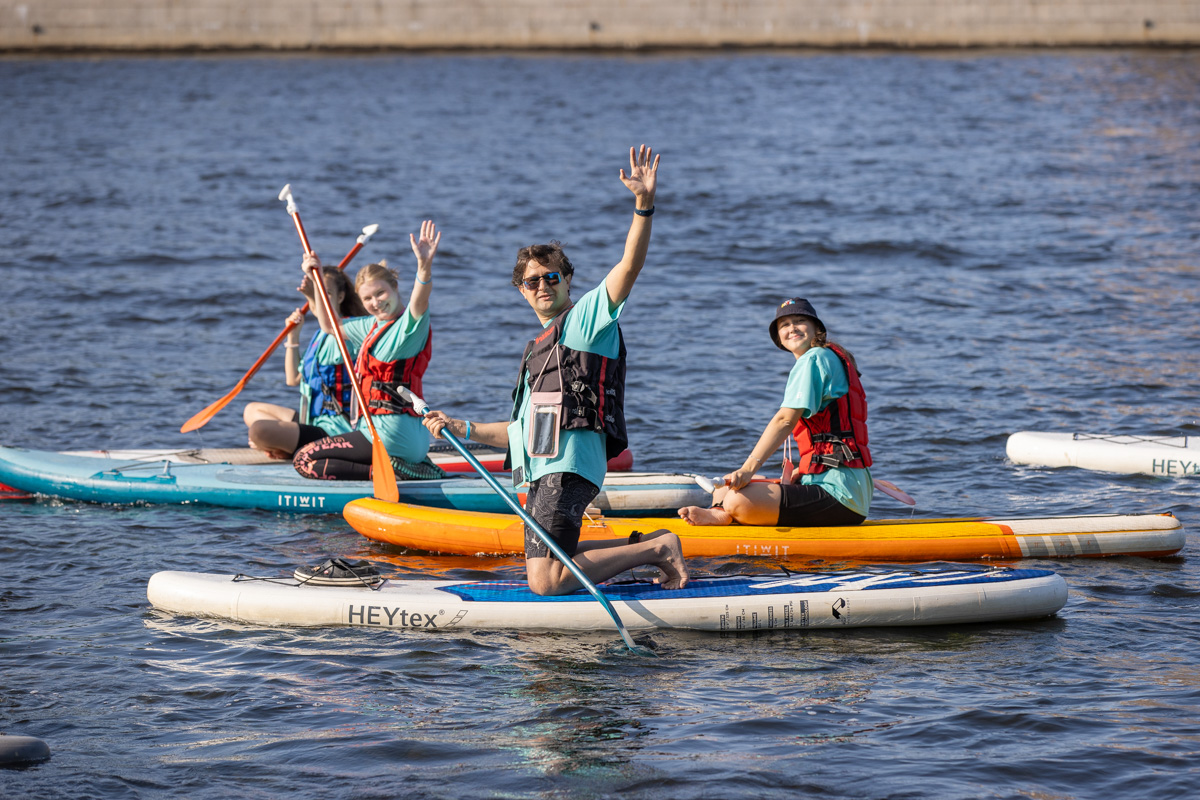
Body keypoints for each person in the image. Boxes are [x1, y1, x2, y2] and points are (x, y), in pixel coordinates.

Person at [421, 145, 689, 596]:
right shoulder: (536, 352)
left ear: (567, 281)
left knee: (545, 581)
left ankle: (659, 549)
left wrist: (643, 206)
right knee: (551, 575)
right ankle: (643, 548)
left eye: (552, 277)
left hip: (568, 467)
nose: (543, 285)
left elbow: (629, 266)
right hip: (543, 471)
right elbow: (521, 432)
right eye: (532, 280)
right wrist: (458, 427)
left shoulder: (586, 320)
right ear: (521, 290)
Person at [678, 298, 873, 527]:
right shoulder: (827, 357)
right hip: (848, 491)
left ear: (816, 329)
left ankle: (726, 513)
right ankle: (721, 510)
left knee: (736, 498)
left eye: (800, 321)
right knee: (726, 489)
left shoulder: (814, 358)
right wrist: (803, 469)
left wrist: (748, 468)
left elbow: (784, 420)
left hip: (840, 495)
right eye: (784, 324)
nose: (792, 328)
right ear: (778, 337)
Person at [292, 220, 441, 481]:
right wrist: (316, 279)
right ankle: (406, 468)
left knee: (304, 459)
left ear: (395, 288)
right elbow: (330, 325)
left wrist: (424, 265)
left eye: (380, 293)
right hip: (406, 437)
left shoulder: (409, 326)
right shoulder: (370, 327)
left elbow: (420, 298)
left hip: (390, 435)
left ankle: (389, 473)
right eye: (367, 299)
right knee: (323, 454)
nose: (376, 302)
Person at [241, 266, 367, 459]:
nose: (319, 299)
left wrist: (311, 297)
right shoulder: (320, 337)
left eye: (326, 294)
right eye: (318, 294)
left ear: (340, 297)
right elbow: (293, 379)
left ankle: (288, 448)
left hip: (335, 430)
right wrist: (293, 336)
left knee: (259, 431)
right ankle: (286, 447)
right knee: (252, 411)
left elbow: (329, 321)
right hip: (313, 421)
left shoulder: (347, 332)